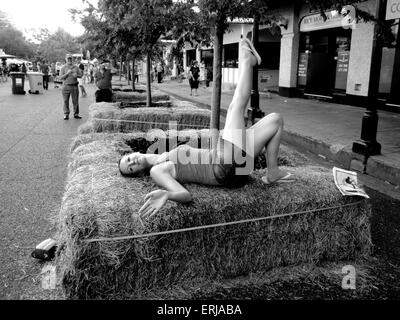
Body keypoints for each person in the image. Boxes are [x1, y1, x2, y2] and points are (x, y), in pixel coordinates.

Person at [118, 38, 294, 219]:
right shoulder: (156, 170)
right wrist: (167, 194)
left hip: (236, 169)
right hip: (222, 168)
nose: (132, 162)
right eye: (130, 168)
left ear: (132, 154)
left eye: (128, 159)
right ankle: (247, 61)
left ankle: (273, 172)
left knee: (275, 120)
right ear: (137, 174)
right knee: (235, 107)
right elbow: (185, 196)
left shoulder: (159, 155)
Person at [59, 54, 82, 120]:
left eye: (70, 59)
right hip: (66, 86)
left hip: (74, 86)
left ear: (72, 59)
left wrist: (77, 75)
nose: (69, 60)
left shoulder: (76, 67)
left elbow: (81, 75)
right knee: (65, 101)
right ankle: (66, 114)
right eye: (68, 59)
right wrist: (67, 73)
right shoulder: (63, 68)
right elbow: (60, 78)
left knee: (75, 101)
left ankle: (76, 114)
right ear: (66, 59)